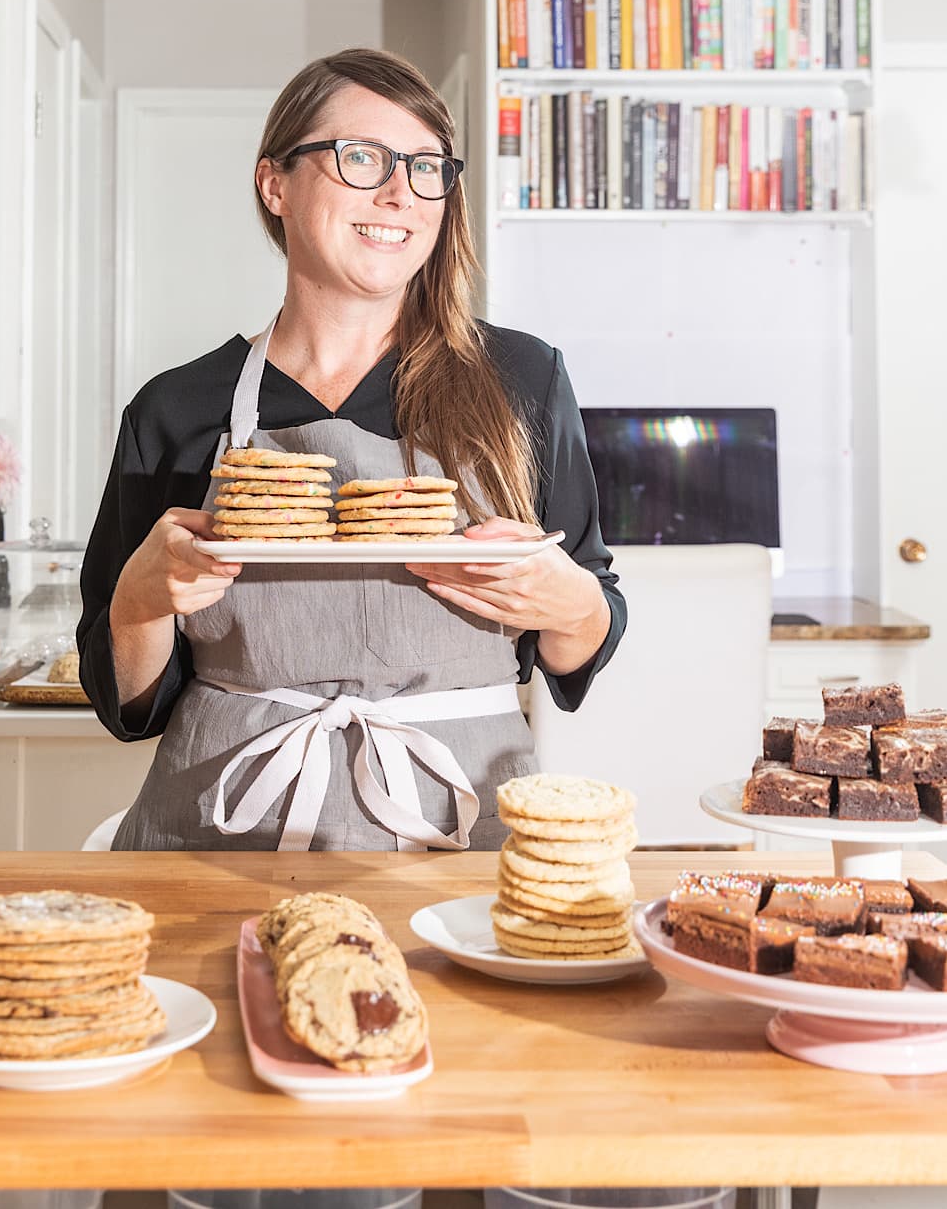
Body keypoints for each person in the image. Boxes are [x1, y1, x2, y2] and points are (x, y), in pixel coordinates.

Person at [78, 49, 626, 851]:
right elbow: (128, 703)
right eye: (362, 158)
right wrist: (140, 599)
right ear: (276, 184)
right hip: (222, 834)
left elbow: (584, 631)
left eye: (427, 166)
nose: (401, 192)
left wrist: (569, 602)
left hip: (459, 817)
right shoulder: (176, 408)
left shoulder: (521, 380)